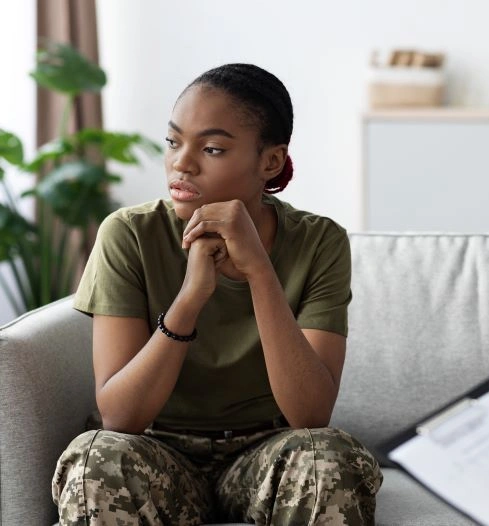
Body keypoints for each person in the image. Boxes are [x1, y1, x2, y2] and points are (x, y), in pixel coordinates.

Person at [52, 63, 382, 525]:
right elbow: (120, 417)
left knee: (327, 457)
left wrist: (259, 272)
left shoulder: (319, 241)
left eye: (211, 148)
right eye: (173, 142)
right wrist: (190, 298)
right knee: (96, 458)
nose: (182, 163)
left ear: (270, 162)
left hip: (267, 448)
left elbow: (311, 413)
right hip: (156, 447)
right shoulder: (129, 234)